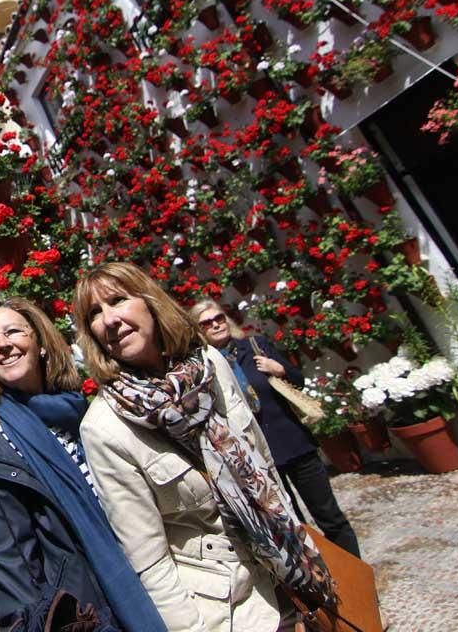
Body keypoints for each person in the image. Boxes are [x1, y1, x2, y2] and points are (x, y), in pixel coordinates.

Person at [72, 262, 334, 632]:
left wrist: (304, 554)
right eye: (94, 314)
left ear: (149, 302)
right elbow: (149, 560)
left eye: (118, 300)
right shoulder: (104, 428)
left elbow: (267, 473)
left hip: (290, 570)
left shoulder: (210, 364)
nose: (110, 319)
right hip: (228, 609)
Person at [0, 298, 165, 632]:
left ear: (39, 343)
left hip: (157, 578)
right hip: (96, 617)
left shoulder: (78, 412)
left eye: (13, 332)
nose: (4, 345)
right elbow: (15, 587)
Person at [189, 299, 361, 558]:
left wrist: (279, 369)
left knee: (330, 517)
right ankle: (323, 580)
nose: (216, 325)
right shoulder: (204, 367)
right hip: (257, 456)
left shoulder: (256, 346)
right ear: (199, 330)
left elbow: (298, 380)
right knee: (292, 525)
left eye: (219, 318)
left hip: (294, 443)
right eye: (207, 323)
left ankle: (357, 579)